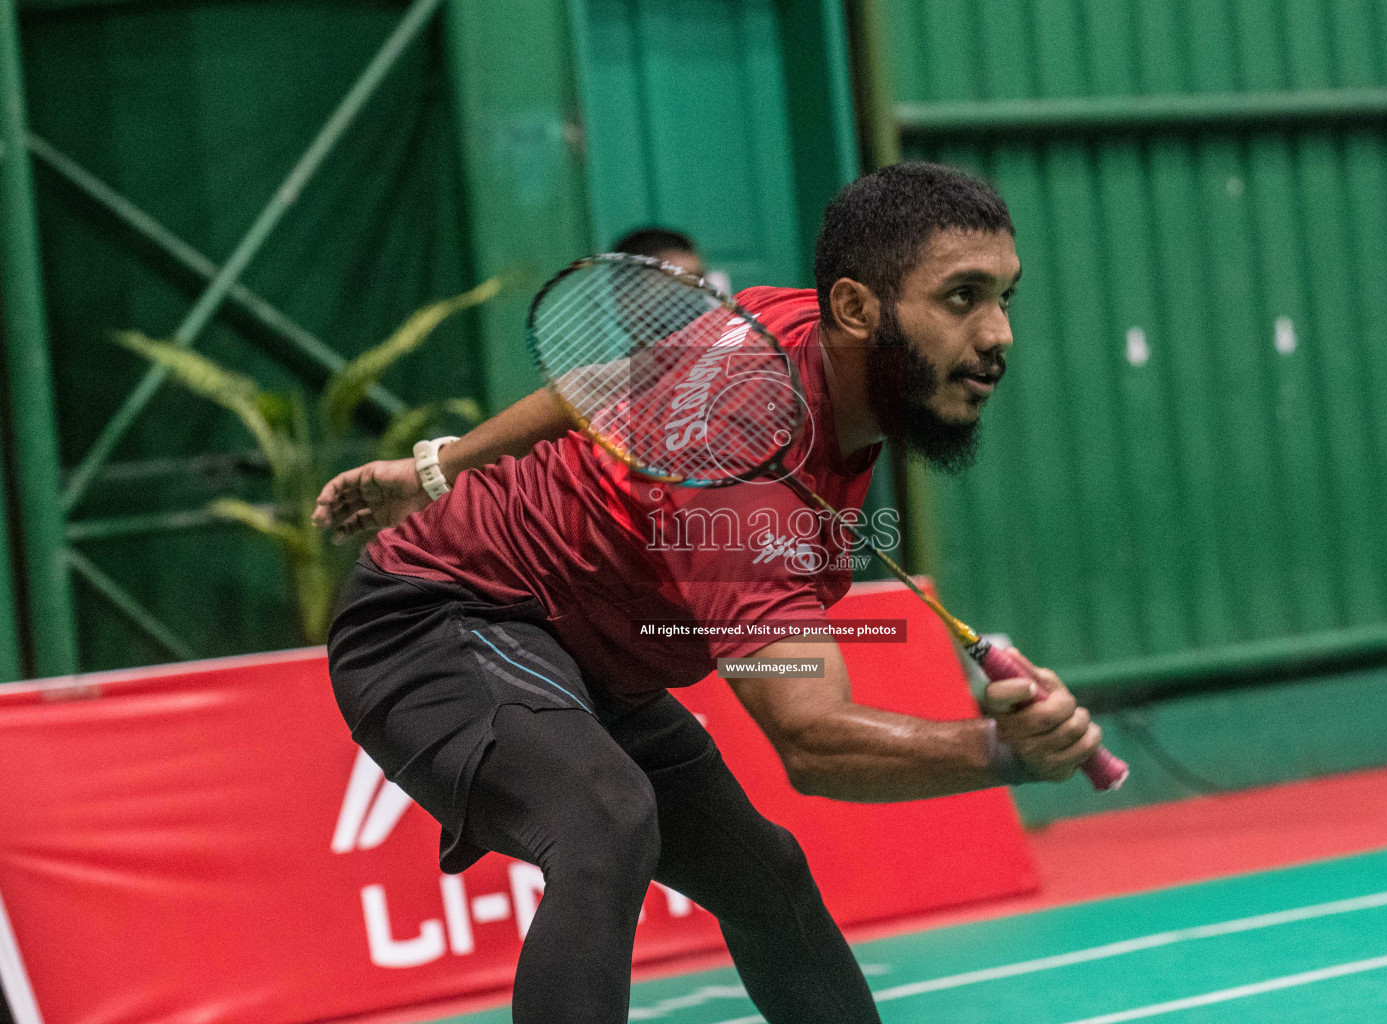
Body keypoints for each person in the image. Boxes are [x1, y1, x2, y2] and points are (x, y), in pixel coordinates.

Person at [315, 162, 1104, 1024]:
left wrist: (434, 466)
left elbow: (610, 383)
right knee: (605, 827)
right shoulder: (744, 489)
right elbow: (813, 741)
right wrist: (1001, 753)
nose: (998, 336)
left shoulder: (775, 324)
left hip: (590, 659)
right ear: (853, 309)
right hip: (441, 616)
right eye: (961, 299)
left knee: (764, 875)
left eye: (1004, 297)